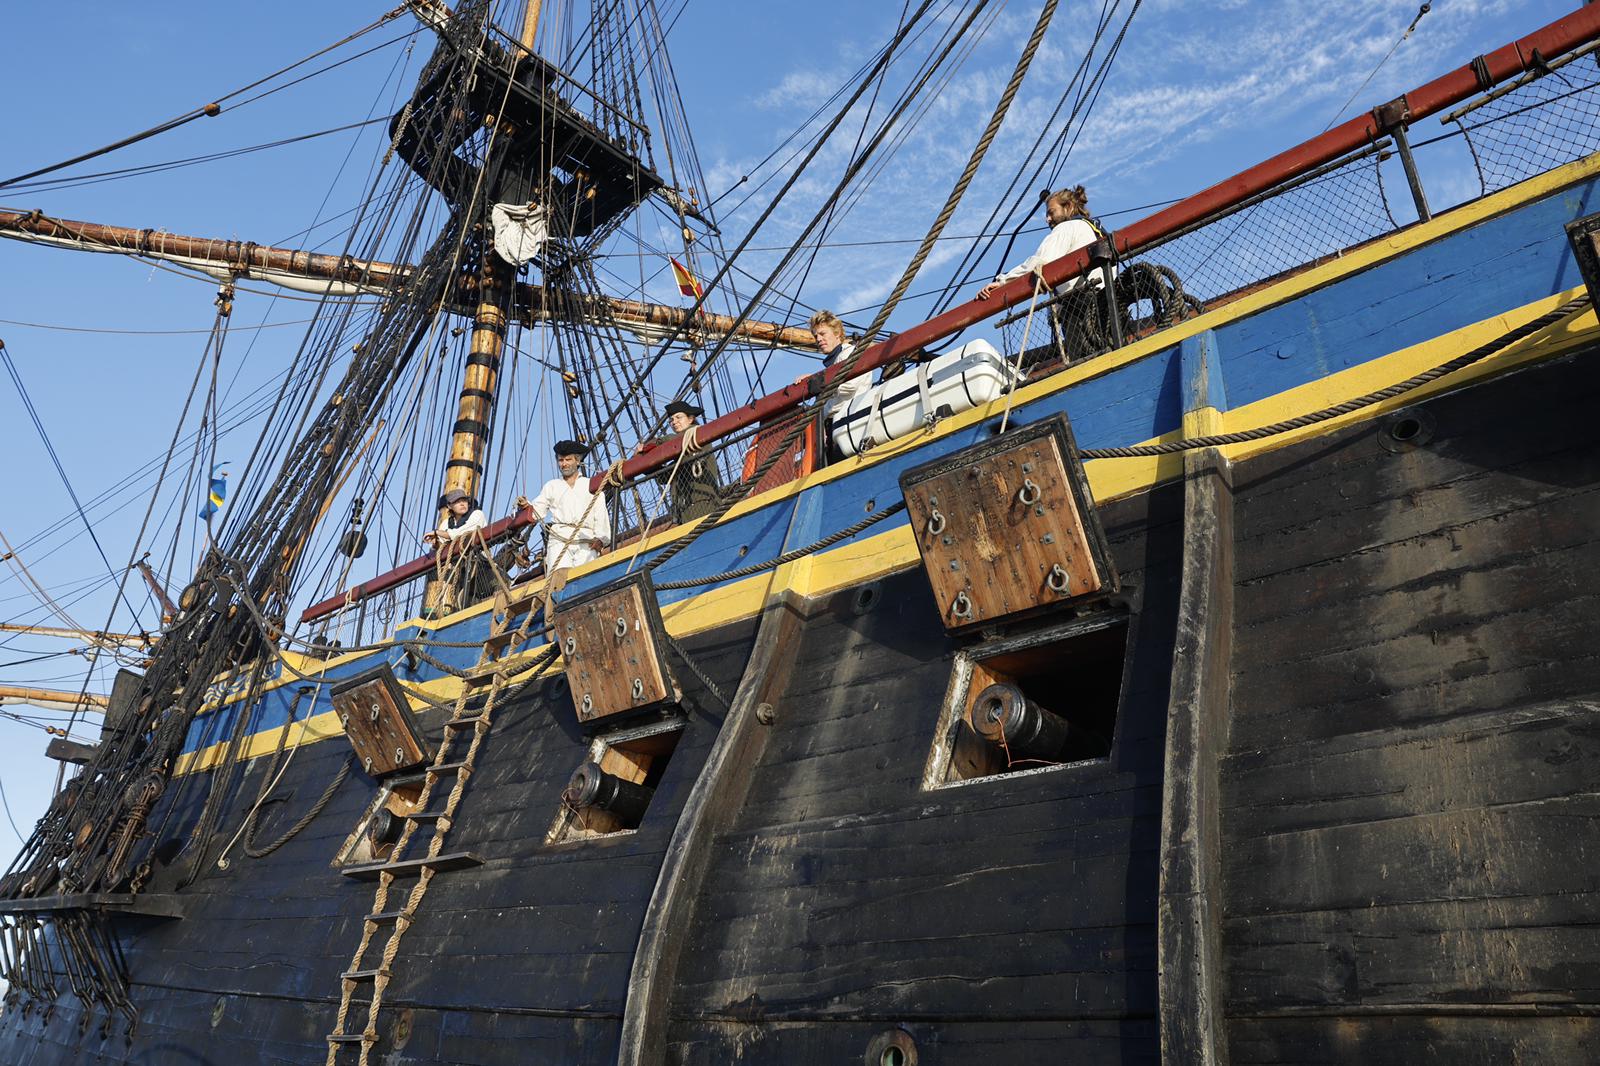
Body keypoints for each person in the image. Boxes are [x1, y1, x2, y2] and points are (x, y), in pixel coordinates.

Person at [977, 185, 1107, 301]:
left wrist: (1003, 281)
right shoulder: (1094, 229)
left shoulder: (1066, 227)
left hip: (1084, 305)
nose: (1048, 219)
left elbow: (1039, 263)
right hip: (1107, 298)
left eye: (1051, 212)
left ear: (1068, 207)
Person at [518, 440, 611, 570]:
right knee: (559, 581)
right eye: (561, 460)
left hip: (586, 540)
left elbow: (600, 514)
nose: (564, 464)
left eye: (568, 459)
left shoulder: (590, 484)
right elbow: (537, 511)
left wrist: (601, 539)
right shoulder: (552, 486)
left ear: (577, 461)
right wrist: (525, 506)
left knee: (587, 578)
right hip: (559, 541)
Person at [633, 400, 722, 525]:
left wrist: (646, 448)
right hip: (684, 511)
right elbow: (663, 476)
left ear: (691, 419)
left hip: (703, 504)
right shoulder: (680, 455)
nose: (674, 422)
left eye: (678, 417)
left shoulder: (697, 435)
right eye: (671, 420)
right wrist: (644, 465)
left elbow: (671, 440)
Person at [423, 488, 487, 550]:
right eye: (457, 502)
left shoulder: (477, 514)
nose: (462, 504)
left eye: (464, 501)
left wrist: (436, 532)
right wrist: (436, 542)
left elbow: (462, 532)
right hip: (455, 560)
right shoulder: (445, 524)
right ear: (449, 506)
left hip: (477, 557)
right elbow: (440, 545)